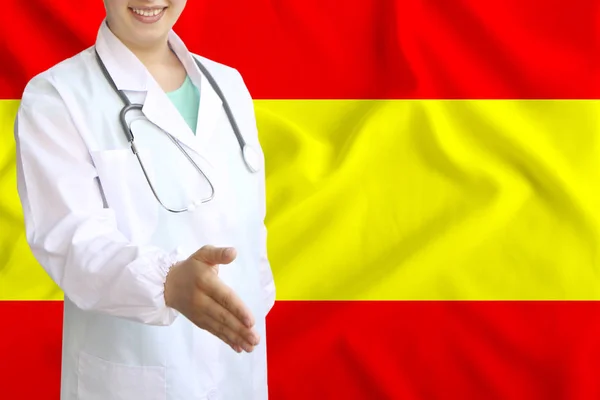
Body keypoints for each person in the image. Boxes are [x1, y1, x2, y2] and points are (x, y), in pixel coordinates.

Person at [14, 0, 275, 399]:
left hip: (238, 371)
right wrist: (167, 282)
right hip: (135, 375)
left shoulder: (229, 86)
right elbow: (70, 242)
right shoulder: (57, 97)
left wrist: (251, 305)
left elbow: (249, 228)